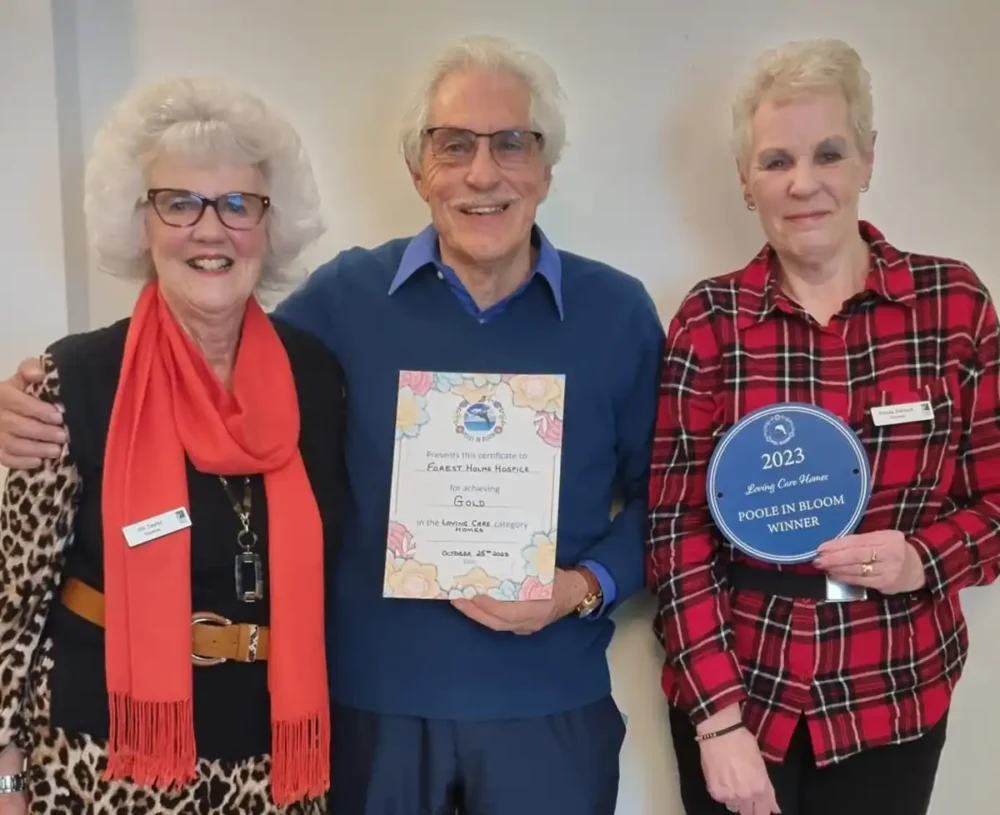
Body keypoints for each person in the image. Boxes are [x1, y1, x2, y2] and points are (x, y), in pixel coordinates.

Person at [0, 36, 664, 815]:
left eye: (512, 142)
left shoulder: (617, 313)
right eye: (453, 145)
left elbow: (668, 503)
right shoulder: (345, 299)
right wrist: (31, 397)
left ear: (546, 168)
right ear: (420, 170)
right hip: (364, 710)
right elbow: (203, 346)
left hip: (547, 699)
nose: (483, 172)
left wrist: (583, 587)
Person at [647, 38, 1000, 815]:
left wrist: (922, 557)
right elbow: (675, 532)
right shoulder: (710, 322)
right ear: (746, 181)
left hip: (896, 690)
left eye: (828, 153)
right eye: (775, 161)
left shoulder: (954, 307)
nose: (803, 183)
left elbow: (996, 506)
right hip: (744, 693)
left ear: (868, 159)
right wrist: (717, 720)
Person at [0, 77, 344, 813]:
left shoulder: (316, 377)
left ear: (268, 222)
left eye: (237, 204)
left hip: (272, 763)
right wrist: (6, 780)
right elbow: (11, 602)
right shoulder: (73, 377)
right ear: (142, 220)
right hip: (101, 757)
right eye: (179, 202)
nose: (210, 230)